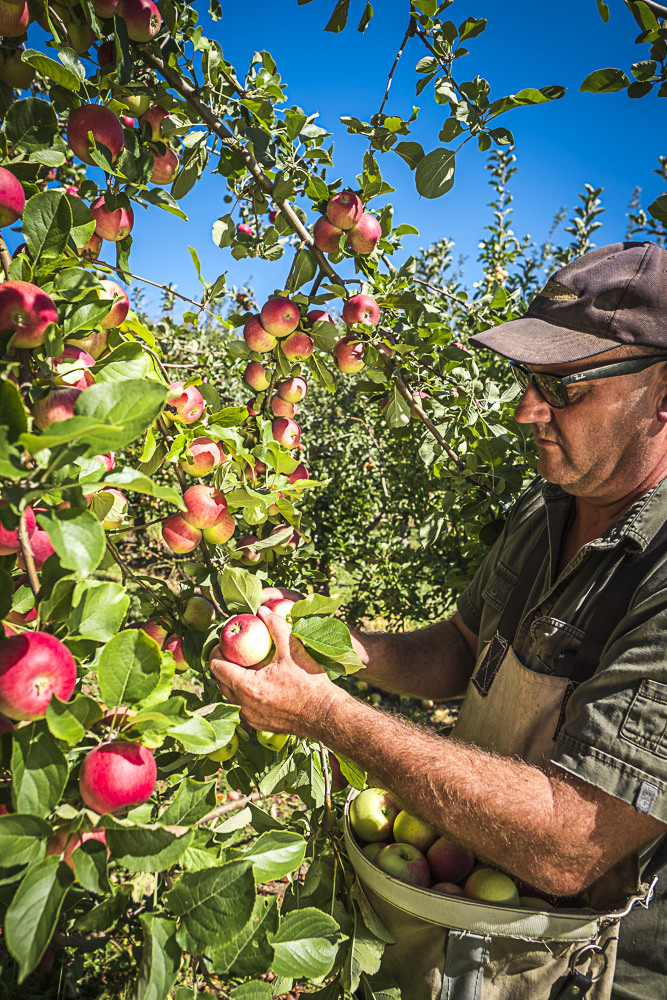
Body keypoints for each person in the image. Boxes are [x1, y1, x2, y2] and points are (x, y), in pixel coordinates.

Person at [210, 241, 667, 999]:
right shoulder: (546, 506)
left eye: (563, 388)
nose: (526, 409)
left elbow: (569, 846)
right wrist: (346, 650)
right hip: (467, 911)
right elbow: (463, 649)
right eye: (527, 380)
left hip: (584, 967)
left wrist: (328, 716)